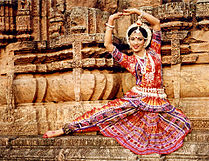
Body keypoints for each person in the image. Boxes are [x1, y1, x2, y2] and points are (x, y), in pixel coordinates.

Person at [43, 8, 191, 155]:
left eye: (139, 39)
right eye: (132, 39)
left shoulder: (154, 50)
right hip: (138, 98)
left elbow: (156, 23)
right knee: (104, 113)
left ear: (145, 41)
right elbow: (108, 45)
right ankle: (65, 129)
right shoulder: (130, 60)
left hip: (159, 102)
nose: (136, 42)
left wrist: (137, 12)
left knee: (181, 124)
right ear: (129, 40)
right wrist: (111, 21)